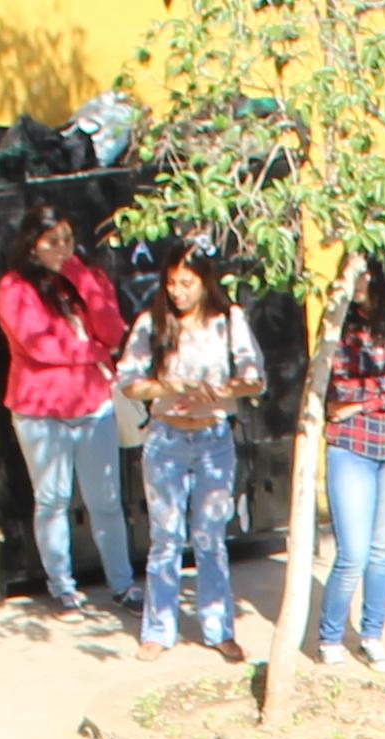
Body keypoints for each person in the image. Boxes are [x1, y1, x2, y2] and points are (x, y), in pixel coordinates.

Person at [117, 261, 264, 660]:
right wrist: (170, 384)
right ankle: (159, 629)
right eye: (171, 283)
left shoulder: (228, 320)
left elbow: (255, 378)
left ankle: (219, 628)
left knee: (210, 536)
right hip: (166, 436)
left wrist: (217, 391)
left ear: (205, 282)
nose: (178, 292)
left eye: (187, 283)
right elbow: (128, 382)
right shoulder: (153, 322)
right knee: (165, 538)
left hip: (213, 437)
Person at [0, 214, 132, 617]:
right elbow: (39, 346)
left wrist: (81, 278)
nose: (61, 249)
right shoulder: (14, 288)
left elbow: (113, 330)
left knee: (106, 500)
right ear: (32, 244)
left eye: (68, 240)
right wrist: (93, 354)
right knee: (53, 498)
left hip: (93, 406)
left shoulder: (87, 276)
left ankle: (121, 584)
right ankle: (63, 587)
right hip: (42, 409)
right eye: (52, 241)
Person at [311, 258, 385, 677]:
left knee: (383, 550)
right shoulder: (337, 325)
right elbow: (334, 384)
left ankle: (373, 635)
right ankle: (328, 636)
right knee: (353, 553)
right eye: (349, 272)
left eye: (362, 274)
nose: (355, 282)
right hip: (351, 447)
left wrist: (362, 403)